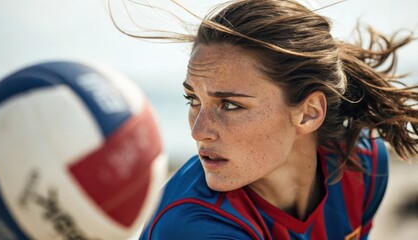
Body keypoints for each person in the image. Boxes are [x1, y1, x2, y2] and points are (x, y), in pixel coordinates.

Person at [133, 0, 418, 239]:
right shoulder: (193, 226)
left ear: (309, 113)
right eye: (193, 100)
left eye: (230, 105)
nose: (198, 132)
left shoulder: (362, 165)